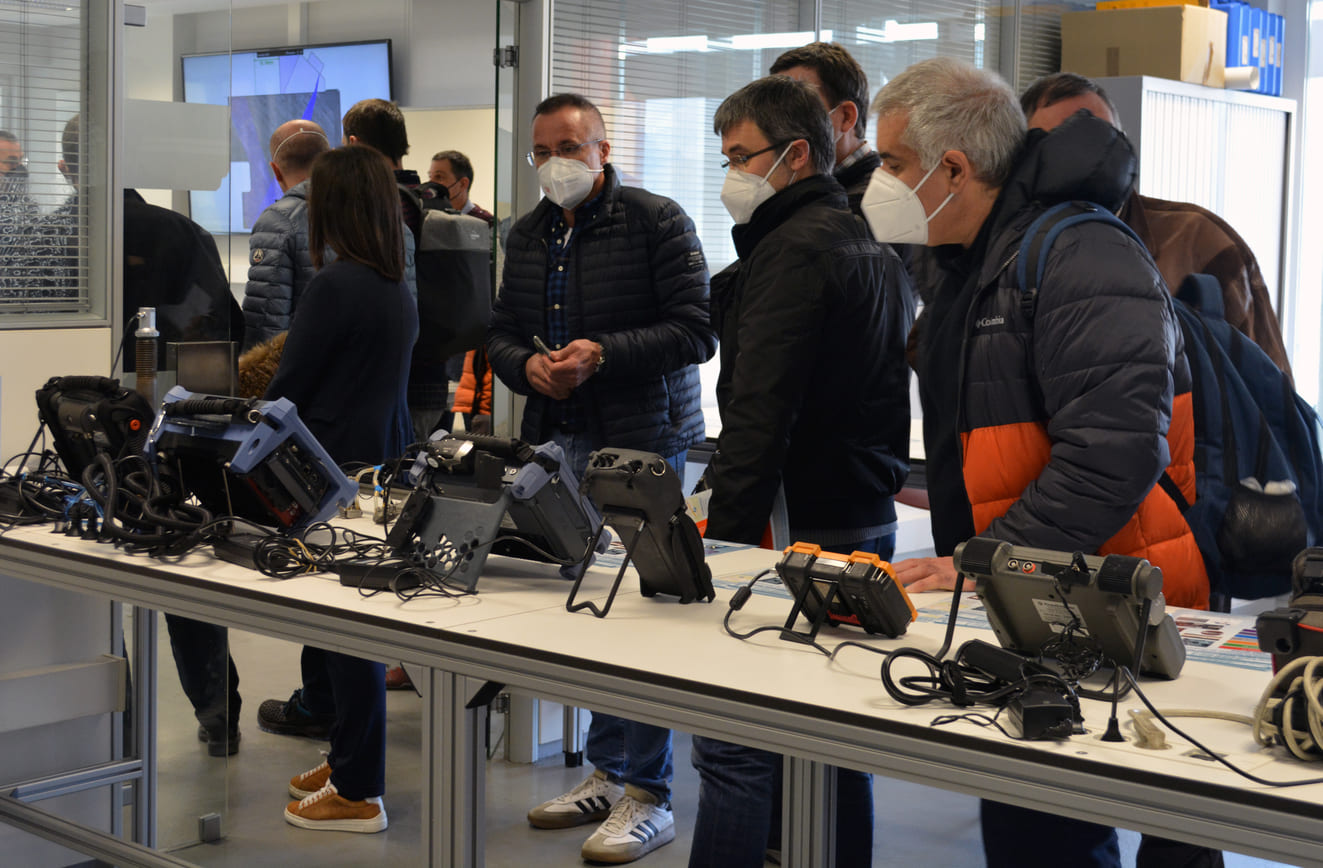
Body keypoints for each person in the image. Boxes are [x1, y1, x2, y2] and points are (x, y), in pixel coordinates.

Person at [867, 57, 1211, 868]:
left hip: (1125, 587)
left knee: (1168, 823)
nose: (876, 183)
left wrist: (984, 563)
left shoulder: (1078, 254)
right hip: (1036, 587)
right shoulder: (965, 259)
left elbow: (1114, 451)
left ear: (952, 168)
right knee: (1038, 823)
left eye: (890, 164)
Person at [688, 75, 914, 868]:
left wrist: (718, 544)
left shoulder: (792, 252)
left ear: (794, 154)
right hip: (857, 507)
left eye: (740, 156)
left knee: (737, 743)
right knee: (831, 732)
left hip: (795, 521)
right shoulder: (865, 239)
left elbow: (761, 412)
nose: (730, 175)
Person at [487, 92, 716, 865]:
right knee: (584, 615)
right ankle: (608, 768)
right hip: (557, 441)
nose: (557, 163)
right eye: (542, 151)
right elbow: (498, 335)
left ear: (602, 149)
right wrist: (528, 368)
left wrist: (602, 353)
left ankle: (648, 794)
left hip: (641, 443)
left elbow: (695, 331)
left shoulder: (656, 221)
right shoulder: (526, 235)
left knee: (645, 618)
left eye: (571, 147)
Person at [269, 144, 417, 833]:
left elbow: (288, 389)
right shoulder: (392, 286)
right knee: (347, 629)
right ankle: (347, 757)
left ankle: (358, 788)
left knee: (343, 634)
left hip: (326, 473)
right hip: (373, 467)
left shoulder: (334, 286)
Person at [1020, 71, 1292, 380]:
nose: (1088, 160)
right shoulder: (1011, 256)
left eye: (1102, 139)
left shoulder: (1199, 242)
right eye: (1063, 145)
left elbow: (1273, 394)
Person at [240, 119, 331, 350]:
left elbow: (265, 324)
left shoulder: (278, 221)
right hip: (377, 375)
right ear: (330, 158)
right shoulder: (376, 211)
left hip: (307, 374)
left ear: (276, 170)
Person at [769, 42, 880, 210]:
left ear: (846, 117)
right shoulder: (812, 191)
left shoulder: (871, 205)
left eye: (797, 108)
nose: (781, 124)